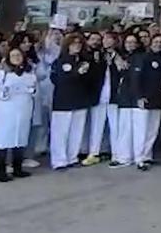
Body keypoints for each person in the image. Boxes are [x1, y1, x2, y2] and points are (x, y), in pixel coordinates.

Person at [0, 47, 37, 182]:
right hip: (6, 110)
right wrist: (4, 93)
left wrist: (30, 90)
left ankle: (18, 168)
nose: (16, 58)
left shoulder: (29, 74)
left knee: (20, 139)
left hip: (23, 109)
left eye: (19, 55)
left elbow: (35, 91)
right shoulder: (2, 74)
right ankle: (1, 171)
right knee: (3, 140)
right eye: (13, 55)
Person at [49, 34, 91, 170]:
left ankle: (72, 157)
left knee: (76, 131)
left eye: (79, 43)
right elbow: (58, 80)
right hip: (63, 101)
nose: (77, 45)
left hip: (79, 100)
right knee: (61, 132)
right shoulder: (60, 61)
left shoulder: (84, 60)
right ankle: (59, 160)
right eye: (73, 43)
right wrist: (77, 73)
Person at [107, 33, 144, 168]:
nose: (130, 44)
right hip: (123, 96)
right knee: (124, 129)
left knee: (139, 129)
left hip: (137, 97)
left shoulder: (141, 57)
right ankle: (124, 157)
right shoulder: (121, 57)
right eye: (128, 42)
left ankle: (140, 157)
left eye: (133, 42)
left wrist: (141, 96)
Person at [82, 31, 117, 166]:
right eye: (105, 39)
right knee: (96, 126)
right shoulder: (96, 55)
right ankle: (94, 153)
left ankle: (117, 153)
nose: (107, 41)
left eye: (110, 39)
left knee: (115, 127)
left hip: (114, 96)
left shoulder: (118, 55)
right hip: (99, 95)